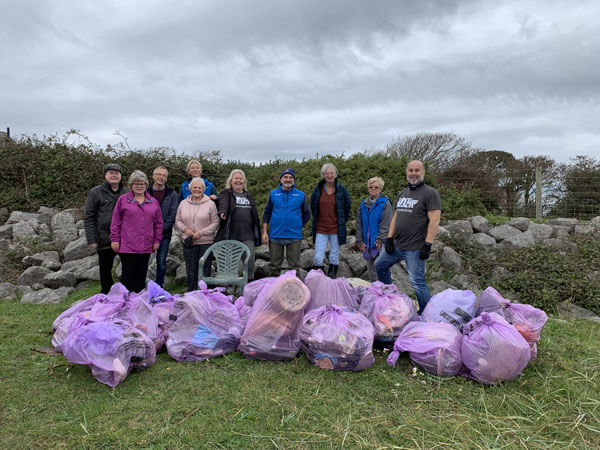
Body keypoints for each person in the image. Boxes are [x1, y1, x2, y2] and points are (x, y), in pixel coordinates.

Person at [374, 160, 441, 313]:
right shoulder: (403, 193)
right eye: (410, 170)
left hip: (415, 248)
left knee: (417, 282)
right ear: (407, 172)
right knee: (380, 266)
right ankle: (390, 298)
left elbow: (435, 219)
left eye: (417, 170)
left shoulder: (430, 193)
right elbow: (396, 216)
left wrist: (428, 244)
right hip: (397, 245)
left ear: (423, 172)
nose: (413, 173)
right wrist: (389, 238)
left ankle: (426, 313)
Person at [110, 170, 163, 293]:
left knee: (141, 276)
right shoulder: (123, 200)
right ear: (131, 186)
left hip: (146, 245)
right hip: (126, 245)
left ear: (146, 185)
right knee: (127, 276)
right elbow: (115, 221)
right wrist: (114, 239)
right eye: (136, 184)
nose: (139, 186)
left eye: (142, 184)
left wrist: (157, 240)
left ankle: (138, 303)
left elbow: (158, 224)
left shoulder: (153, 202)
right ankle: (125, 302)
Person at [84, 163, 128, 294]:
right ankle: (106, 293)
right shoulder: (95, 192)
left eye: (117, 173)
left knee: (128, 266)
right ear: (105, 175)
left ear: (121, 176)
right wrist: (92, 239)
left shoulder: (127, 192)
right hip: (104, 238)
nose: (114, 175)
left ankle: (125, 292)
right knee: (105, 269)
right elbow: (89, 217)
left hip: (125, 237)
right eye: (111, 173)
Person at [262, 168, 311, 276]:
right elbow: (267, 213)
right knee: (274, 266)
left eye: (291, 177)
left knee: (294, 267)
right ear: (281, 179)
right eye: (285, 177)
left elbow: (307, 214)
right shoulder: (273, 194)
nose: (288, 179)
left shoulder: (301, 195)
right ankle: (274, 290)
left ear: (293, 180)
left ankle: (295, 291)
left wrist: (297, 224)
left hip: (294, 235)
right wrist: (264, 232)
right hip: (276, 235)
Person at [216, 169, 261, 280]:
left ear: (244, 181)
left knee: (250, 260)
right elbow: (223, 203)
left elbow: (255, 214)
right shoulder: (226, 193)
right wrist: (222, 212)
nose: (238, 180)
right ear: (231, 181)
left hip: (248, 235)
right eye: (236, 178)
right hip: (231, 234)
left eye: (240, 179)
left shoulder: (248, 196)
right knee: (230, 263)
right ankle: (230, 286)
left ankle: (249, 283)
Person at [175, 177, 219, 291]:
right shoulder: (183, 203)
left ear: (204, 189)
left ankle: (204, 294)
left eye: (200, 187)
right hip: (189, 242)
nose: (197, 189)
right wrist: (185, 229)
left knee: (205, 269)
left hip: (206, 242)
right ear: (190, 188)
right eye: (194, 187)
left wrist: (201, 233)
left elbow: (215, 222)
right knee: (191, 269)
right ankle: (192, 293)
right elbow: (178, 220)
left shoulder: (210, 204)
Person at [310, 163, 351, 279]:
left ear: (335, 174)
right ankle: (320, 277)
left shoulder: (342, 190)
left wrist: (342, 220)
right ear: (323, 175)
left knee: (334, 255)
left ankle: (332, 277)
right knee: (318, 257)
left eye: (331, 173)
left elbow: (347, 206)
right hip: (320, 228)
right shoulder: (318, 189)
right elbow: (313, 205)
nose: (329, 175)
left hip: (336, 228)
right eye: (326, 173)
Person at [356, 177, 393, 282]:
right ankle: (375, 291)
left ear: (380, 189)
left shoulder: (385, 203)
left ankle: (386, 291)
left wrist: (380, 239)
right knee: (371, 269)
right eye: (371, 187)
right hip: (366, 242)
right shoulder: (363, 204)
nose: (373, 189)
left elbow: (387, 223)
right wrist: (359, 241)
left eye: (376, 187)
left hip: (380, 242)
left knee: (382, 268)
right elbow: (359, 224)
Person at [148, 166, 178, 287]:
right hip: (147, 233)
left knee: (161, 261)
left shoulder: (171, 193)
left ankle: (159, 285)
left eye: (164, 175)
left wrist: (162, 228)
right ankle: (142, 285)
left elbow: (173, 213)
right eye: (159, 175)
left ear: (166, 178)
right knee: (143, 261)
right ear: (153, 176)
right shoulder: (146, 192)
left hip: (164, 234)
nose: (161, 177)